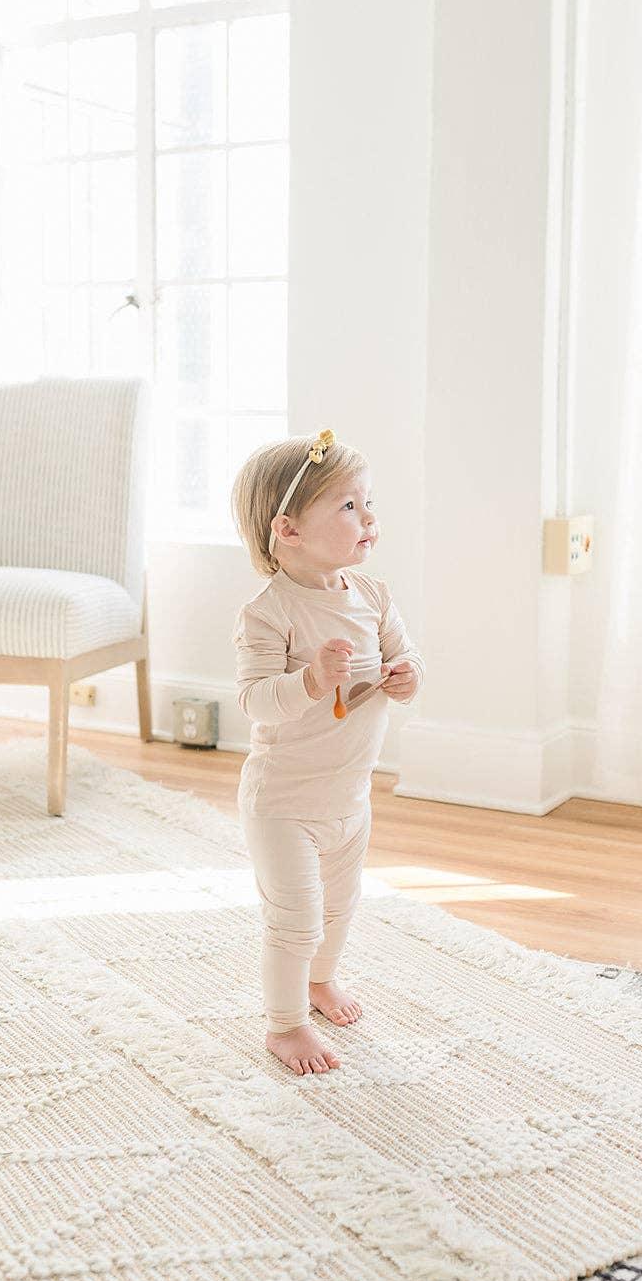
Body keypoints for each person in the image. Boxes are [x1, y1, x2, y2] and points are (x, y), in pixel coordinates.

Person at [229, 429, 425, 1076]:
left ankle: (319, 983)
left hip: (348, 798)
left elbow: (403, 656)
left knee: (339, 906)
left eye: (366, 503)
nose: (367, 518)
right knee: (296, 916)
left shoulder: (372, 597)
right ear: (287, 529)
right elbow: (256, 698)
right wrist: (310, 681)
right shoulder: (269, 613)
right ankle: (283, 1025)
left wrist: (404, 676)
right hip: (283, 803)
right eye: (347, 506)